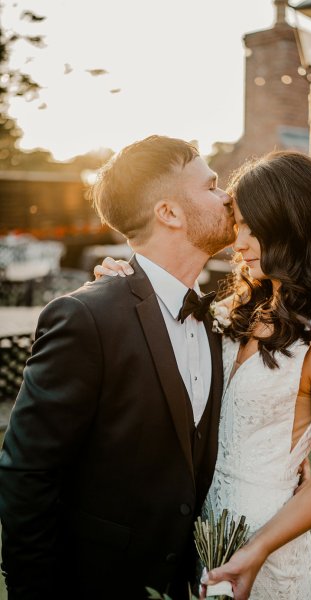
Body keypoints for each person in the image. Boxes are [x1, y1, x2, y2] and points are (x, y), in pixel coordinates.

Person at [99, 151, 311, 600]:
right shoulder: (229, 314)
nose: (238, 243)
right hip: (198, 532)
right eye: (238, 224)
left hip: (266, 549)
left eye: (254, 228)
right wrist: (124, 281)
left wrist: (258, 550)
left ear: (296, 225)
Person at [0, 135, 236, 599]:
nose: (227, 195)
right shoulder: (86, 317)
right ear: (169, 212)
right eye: (211, 186)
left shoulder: (218, 318)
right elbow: (28, 471)